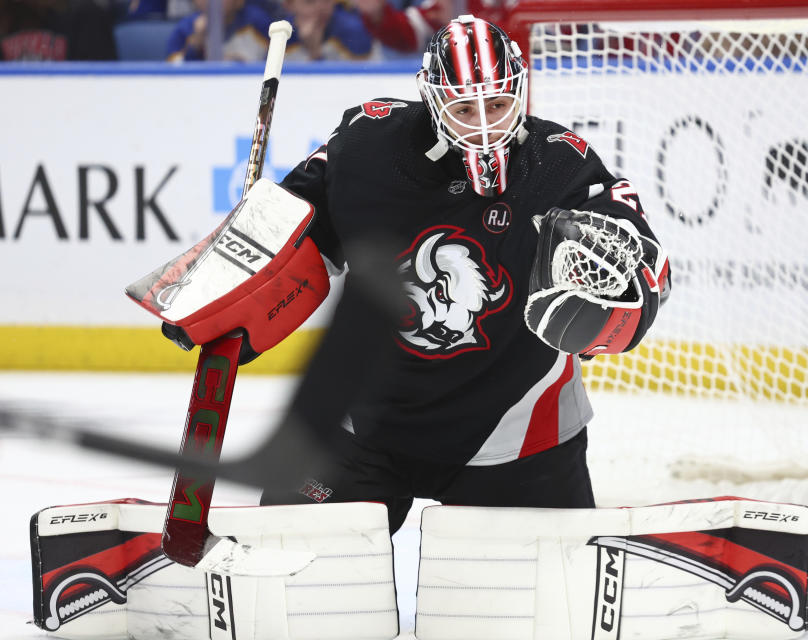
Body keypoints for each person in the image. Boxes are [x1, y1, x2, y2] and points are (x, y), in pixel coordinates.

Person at [241, 14, 671, 535]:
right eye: (464, 108)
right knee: (294, 578)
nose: (485, 124)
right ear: (432, 99)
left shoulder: (562, 166)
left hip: (517, 431)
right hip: (365, 420)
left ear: (520, 90)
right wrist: (237, 271)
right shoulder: (366, 146)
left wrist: (621, 293)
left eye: (497, 103)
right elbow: (290, 229)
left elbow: (637, 255)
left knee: (547, 608)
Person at [165, 0, 272, 62]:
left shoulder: (258, 23)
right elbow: (172, 75)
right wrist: (195, 45)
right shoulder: (185, 29)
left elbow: (277, 63)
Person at [282, 0, 376, 61]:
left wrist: (315, 53)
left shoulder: (354, 32)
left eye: (326, 1)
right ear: (289, 5)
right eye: (309, 1)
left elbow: (359, 81)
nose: (320, 8)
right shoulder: (279, 33)